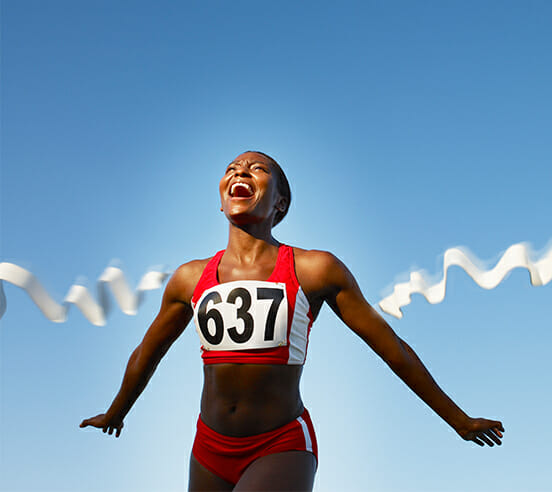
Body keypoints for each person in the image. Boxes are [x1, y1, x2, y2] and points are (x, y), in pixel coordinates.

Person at [80, 151, 504, 491]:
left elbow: (392, 350)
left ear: (279, 203)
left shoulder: (316, 269)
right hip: (208, 446)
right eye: (232, 168)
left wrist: (459, 420)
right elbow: (147, 352)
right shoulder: (190, 277)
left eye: (257, 168)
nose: (241, 171)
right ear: (222, 196)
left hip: (279, 444)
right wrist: (116, 412)